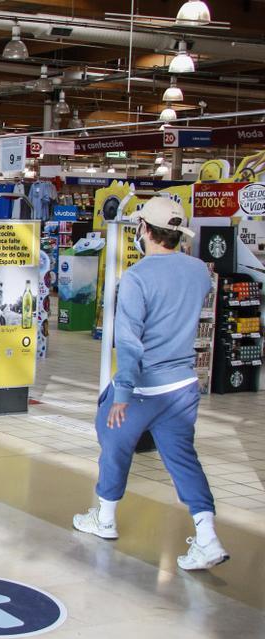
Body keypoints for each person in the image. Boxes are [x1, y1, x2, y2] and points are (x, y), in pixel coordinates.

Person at [72, 196, 229, 571]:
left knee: (112, 441)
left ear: (143, 230)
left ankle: (105, 518)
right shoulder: (199, 272)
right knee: (182, 458)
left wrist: (122, 394)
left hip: (143, 387)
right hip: (182, 387)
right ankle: (207, 536)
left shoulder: (137, 278)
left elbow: (129, 342)